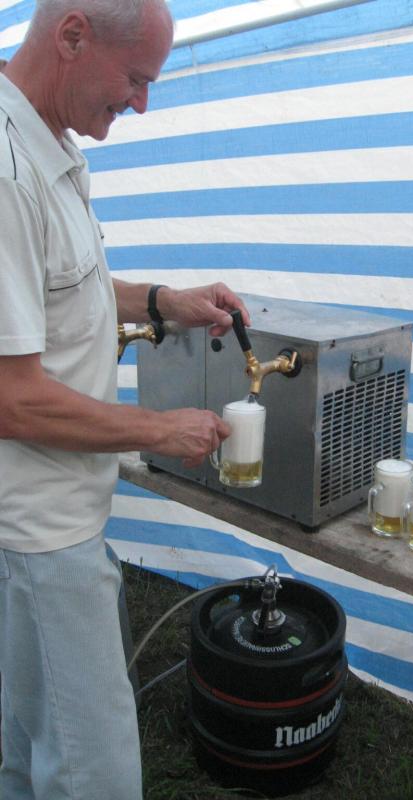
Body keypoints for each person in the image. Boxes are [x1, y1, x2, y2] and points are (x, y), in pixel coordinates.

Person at [0, 2, 250, 798]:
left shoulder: (49, 144)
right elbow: (12, 399)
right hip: (39, 531)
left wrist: (163, 302)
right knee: (94, 772)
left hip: (53, 521)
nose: (141, 104)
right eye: (137, 80)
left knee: (30, 750)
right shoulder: (6, 173)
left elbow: (57, 290)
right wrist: (159, 429)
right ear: (73, 36)